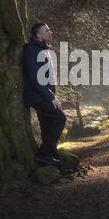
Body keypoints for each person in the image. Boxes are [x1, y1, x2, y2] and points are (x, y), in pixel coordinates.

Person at [22, 23, 66, 166]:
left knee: (47, 126)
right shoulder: (32, 50)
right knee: (60, 117)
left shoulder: (42, 49)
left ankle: (51, 159)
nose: (50, 32)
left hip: (42, 94)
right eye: (47, 30)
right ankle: (44, 153)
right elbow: (35, 79)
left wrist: (51, 94)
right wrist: (50, 96)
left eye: (50, 29)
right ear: (38, 35)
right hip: (36, 95)